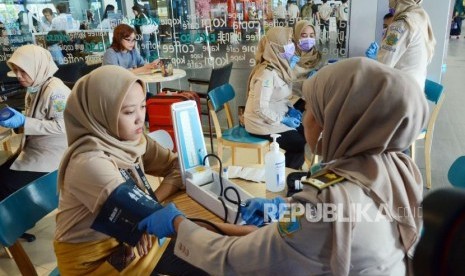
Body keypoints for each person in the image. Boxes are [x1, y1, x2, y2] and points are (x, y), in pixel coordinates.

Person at [137, 57, 429, 275]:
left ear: (338, 119)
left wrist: (179, 225)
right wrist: (287, 209)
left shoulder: (327, 199)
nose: (304, 119)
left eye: (311, 108)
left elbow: (237, 260)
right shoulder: (397, 167)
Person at [53, 65, 255, 274]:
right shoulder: (89, 163)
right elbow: (171, 223)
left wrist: (148, 208)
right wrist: (244, 233)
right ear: (100, 112)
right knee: (213, 258)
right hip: (94, 262)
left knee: (209, 261)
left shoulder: (132, 142)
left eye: (142, 106)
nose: (141, 118)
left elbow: (178, 167)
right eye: (129, 112)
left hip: (133, 245)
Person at [0, 45, 71, 240]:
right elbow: (36, 117)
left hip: (52, 157)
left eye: (23, 70)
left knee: (5, 184)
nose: (19, 76)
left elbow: (63, 126)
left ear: (38, 66)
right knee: (3, 176)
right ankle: (12, 224)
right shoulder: (36, 85)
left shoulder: (56, 92)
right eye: (16, 71)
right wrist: (21, 121)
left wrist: (24, 122)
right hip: (38, 150)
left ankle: (10, 228)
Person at [244, 26, 306, 170]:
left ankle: (288, 171)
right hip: (261, 124)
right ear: (277, 47)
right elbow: (260, 108)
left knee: (307, 133)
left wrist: (290, 110)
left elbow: (280, 97)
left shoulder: (280, 67)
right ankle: (284, 176)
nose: (292, 45)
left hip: (276, 115)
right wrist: (283, 120)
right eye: (289, 41)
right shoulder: (267, 74)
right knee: (300, 145)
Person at [365, 0, 436, 91]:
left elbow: (383, 66)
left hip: (400, 93)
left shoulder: (402, 23)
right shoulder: (421, 17)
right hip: (415, 91)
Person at [291, 20, 322, 111]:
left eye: (311, 36)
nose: (308, 39)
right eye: (304, 36)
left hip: (311, 101)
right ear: (296, 36)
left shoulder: (318, 57)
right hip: (290, 101)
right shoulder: (289, 56)